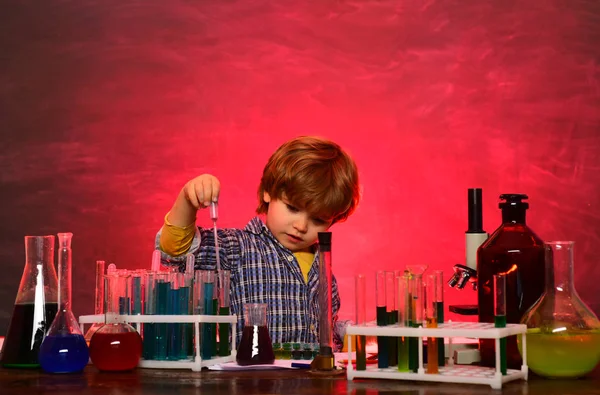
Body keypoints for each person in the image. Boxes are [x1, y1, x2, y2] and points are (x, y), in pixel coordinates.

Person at [155, 136, 361, 351]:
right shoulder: (236, 248)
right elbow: (176, 250)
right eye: (292, 208)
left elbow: (324, 329)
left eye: (318, 220)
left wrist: (346, 334)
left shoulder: (324, 269)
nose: (301, 225)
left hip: (312, 381)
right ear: (268, 192)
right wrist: (187, 200)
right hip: (250, 379)